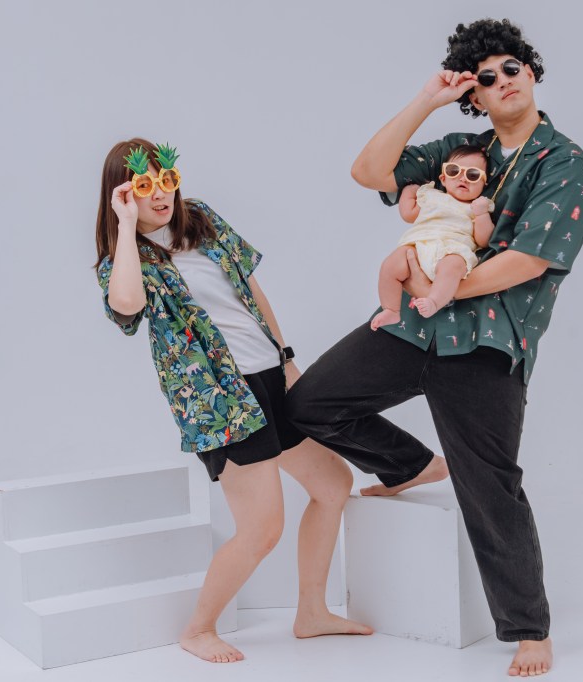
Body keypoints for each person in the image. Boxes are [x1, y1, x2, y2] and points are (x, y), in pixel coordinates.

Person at [288, 18, 583, 677]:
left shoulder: (563, 162)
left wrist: (437, 290)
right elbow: (368, 170)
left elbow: (529, 260)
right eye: (485, 77)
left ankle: (529, 630)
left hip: (487, 341)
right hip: (409, 327)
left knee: (490, 484)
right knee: (310, 403)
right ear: (472, 95)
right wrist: (427, 99)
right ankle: (408, 466)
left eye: (512, 67)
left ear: (531, 72)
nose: (503, 80)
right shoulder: (459, 150)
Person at [94, 138, 372, 664]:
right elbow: (126, 306)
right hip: (221, 402)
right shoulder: (126, 259)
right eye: (144, 186)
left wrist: (286, 359)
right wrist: (126, 227)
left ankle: (312, 612)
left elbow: (251, 290)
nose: (161, 195)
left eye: (167, 180)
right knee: (262, 528)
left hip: (268, 375)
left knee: (333, 484)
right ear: (123, 194)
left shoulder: (200, 219)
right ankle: (198, 629)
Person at [370, 144, 494, 330]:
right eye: (454, 171)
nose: (463, 178)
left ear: (484, 184)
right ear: (443, 178)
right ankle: (391, 309)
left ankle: (434, 301)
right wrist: (409, 191)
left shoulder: (476, 207)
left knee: (452, 267)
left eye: (473, 175)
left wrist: (482, 214)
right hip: (419, 245)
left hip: (452, 250)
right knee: (390, 265)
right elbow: (408, 214)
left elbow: (483, 240)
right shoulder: (431, 196)